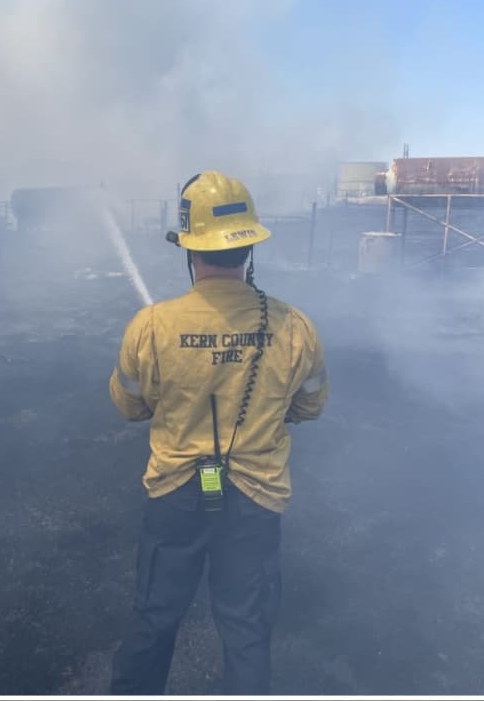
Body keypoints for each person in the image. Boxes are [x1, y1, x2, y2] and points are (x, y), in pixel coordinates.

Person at [108, 170, 329, 695]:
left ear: (190, 249)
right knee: (247, 631)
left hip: (175, 496)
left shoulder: (151, 325)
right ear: (249, 247)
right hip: (257, 499)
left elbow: (129, 404)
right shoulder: (295, 325)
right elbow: (312, 402)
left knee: (154, 621)